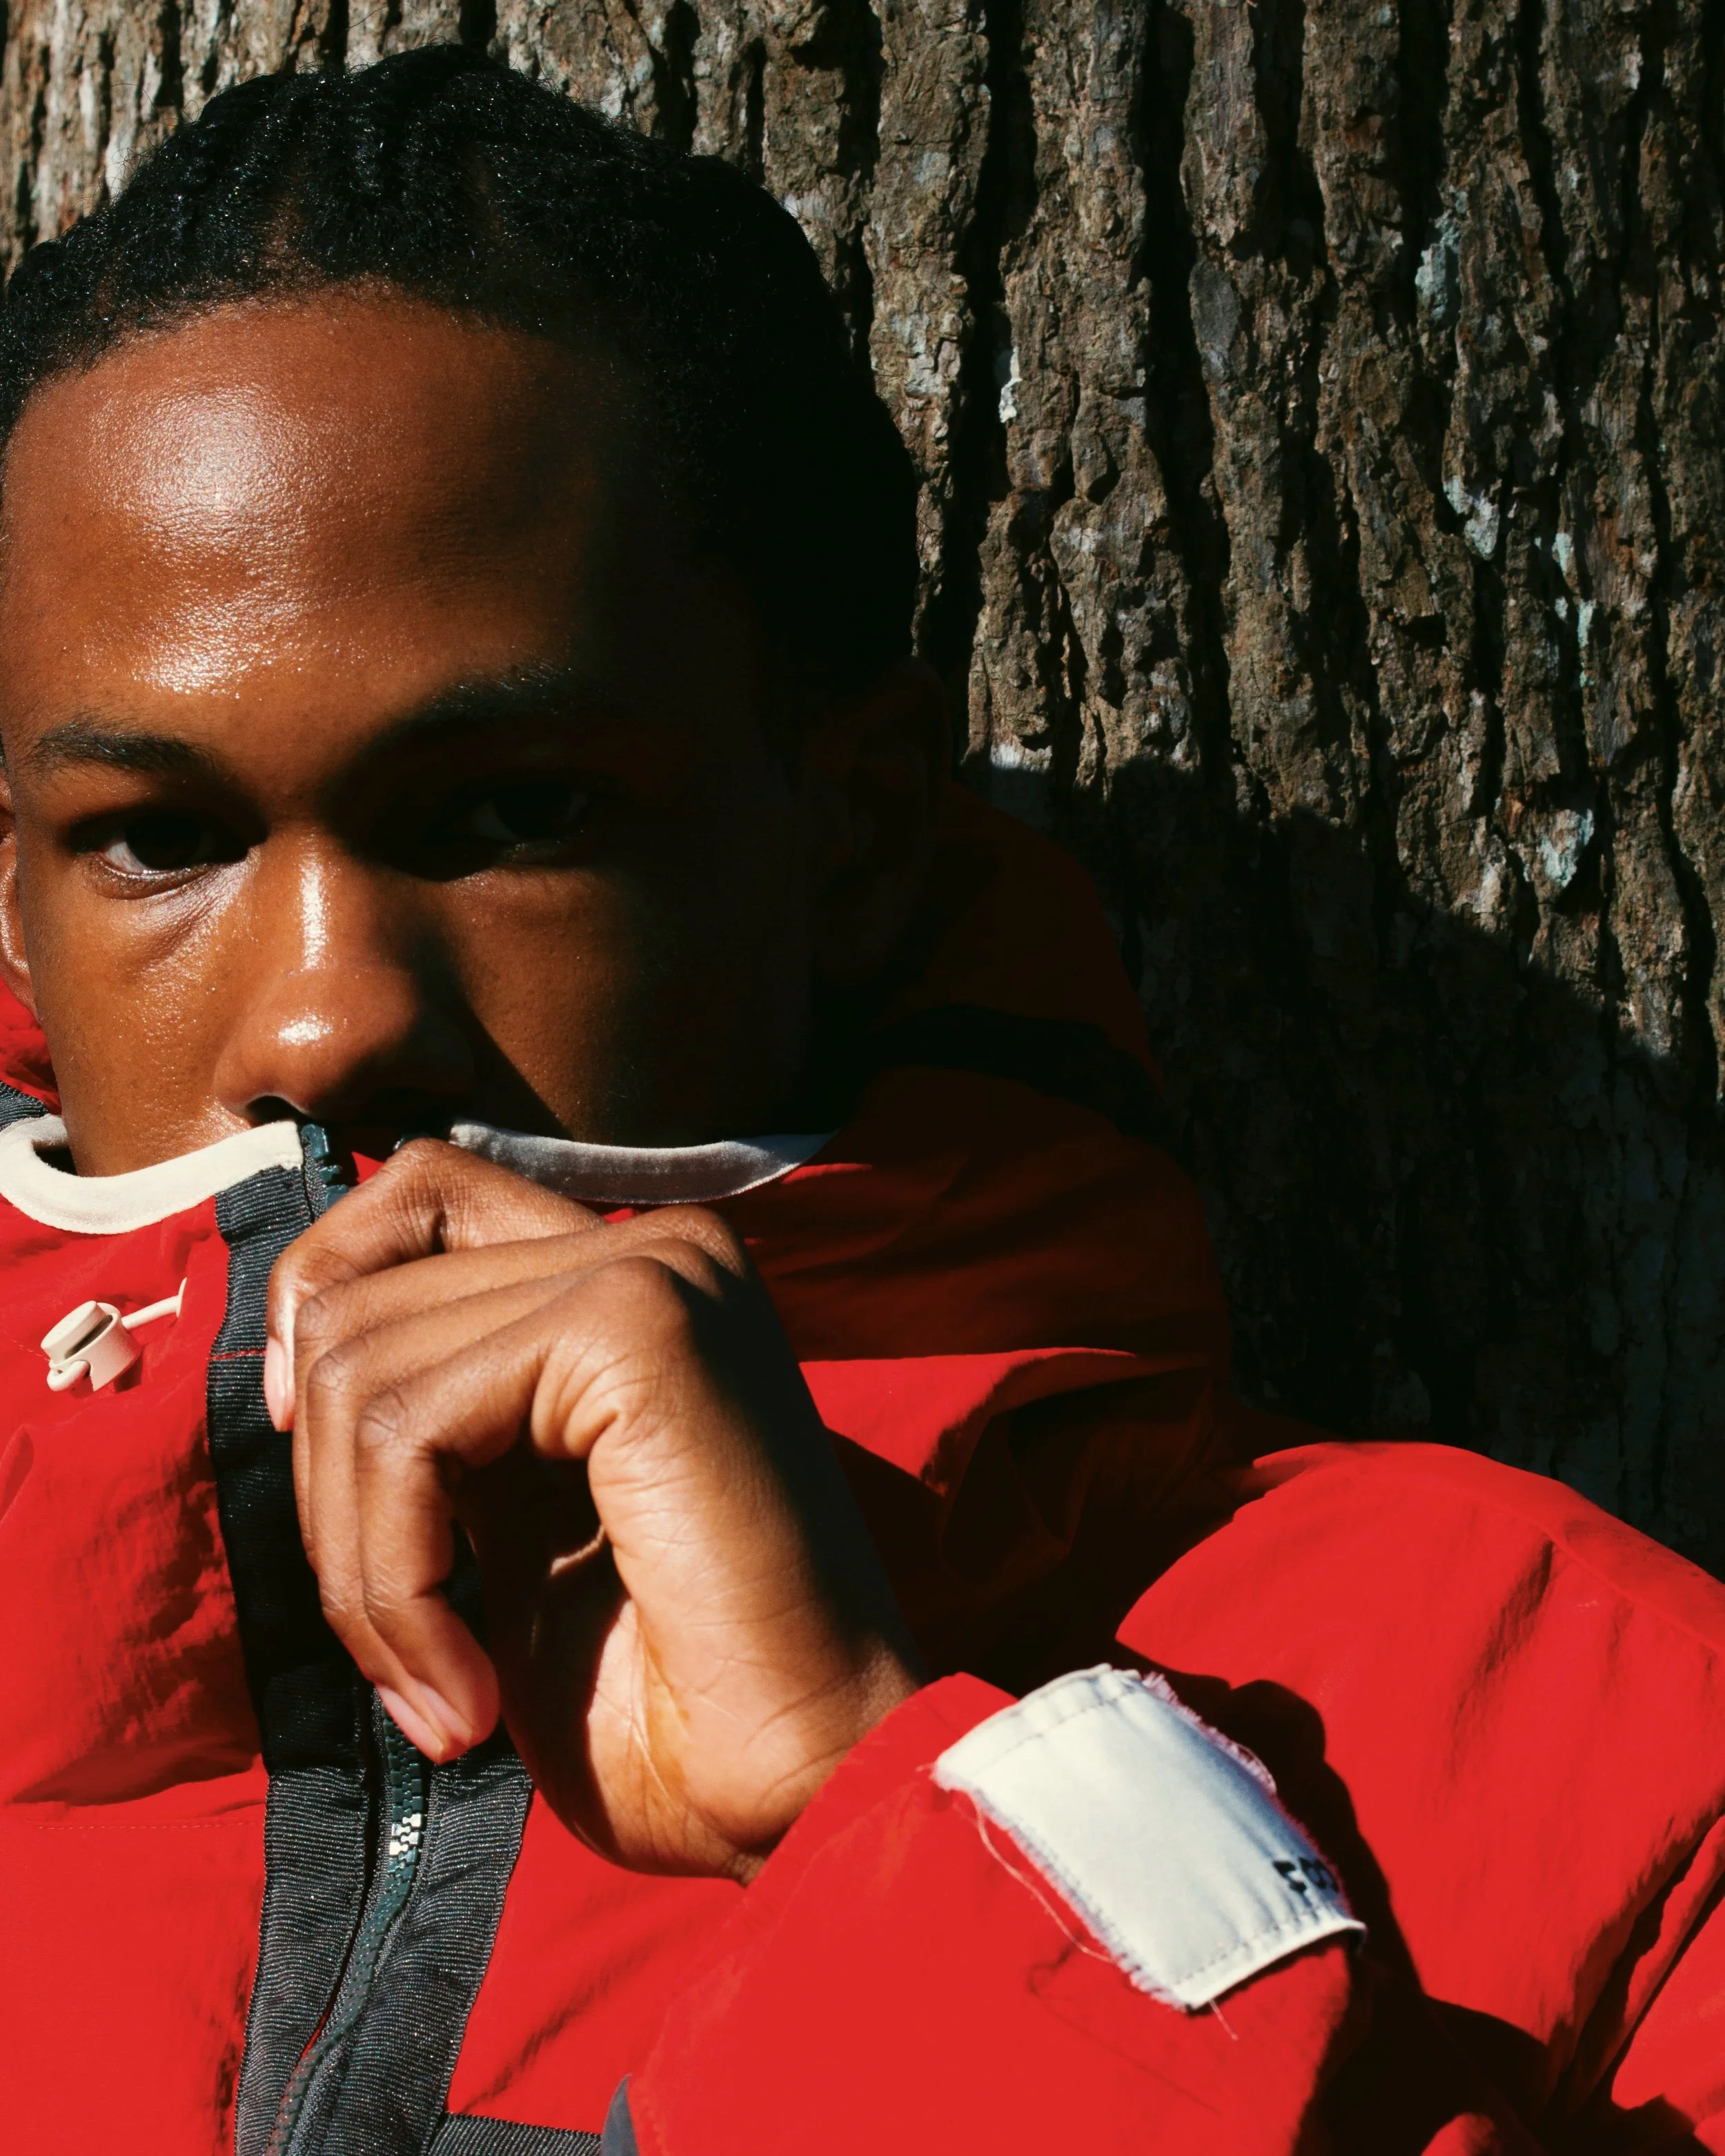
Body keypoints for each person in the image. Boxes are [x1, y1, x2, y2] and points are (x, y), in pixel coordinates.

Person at [0, 44, 1719, 2156]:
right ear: (16, 909)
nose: (323, 1019)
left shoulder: (1566, 1736)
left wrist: (877, 1793)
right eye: (161, 837)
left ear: (856, 834)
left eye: (513, 810)